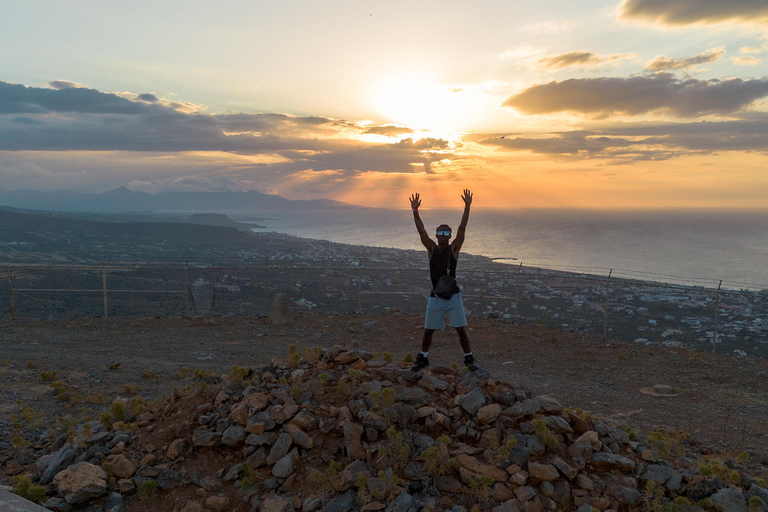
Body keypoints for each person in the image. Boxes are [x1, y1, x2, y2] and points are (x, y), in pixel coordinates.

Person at [409, 189, 478, 372]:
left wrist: (467, 206)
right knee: (428, 330)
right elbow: (421, 231)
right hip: (436, 297)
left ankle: (469, 358)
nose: (443, 235)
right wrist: (415, 211)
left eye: (446, 233)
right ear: (437, 234)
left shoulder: (453, 249)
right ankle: (423, 357)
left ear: (449, 236)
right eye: (440, 232)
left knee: (461, 329)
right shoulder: (431, 249)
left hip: (453, 297)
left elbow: (462, 229)